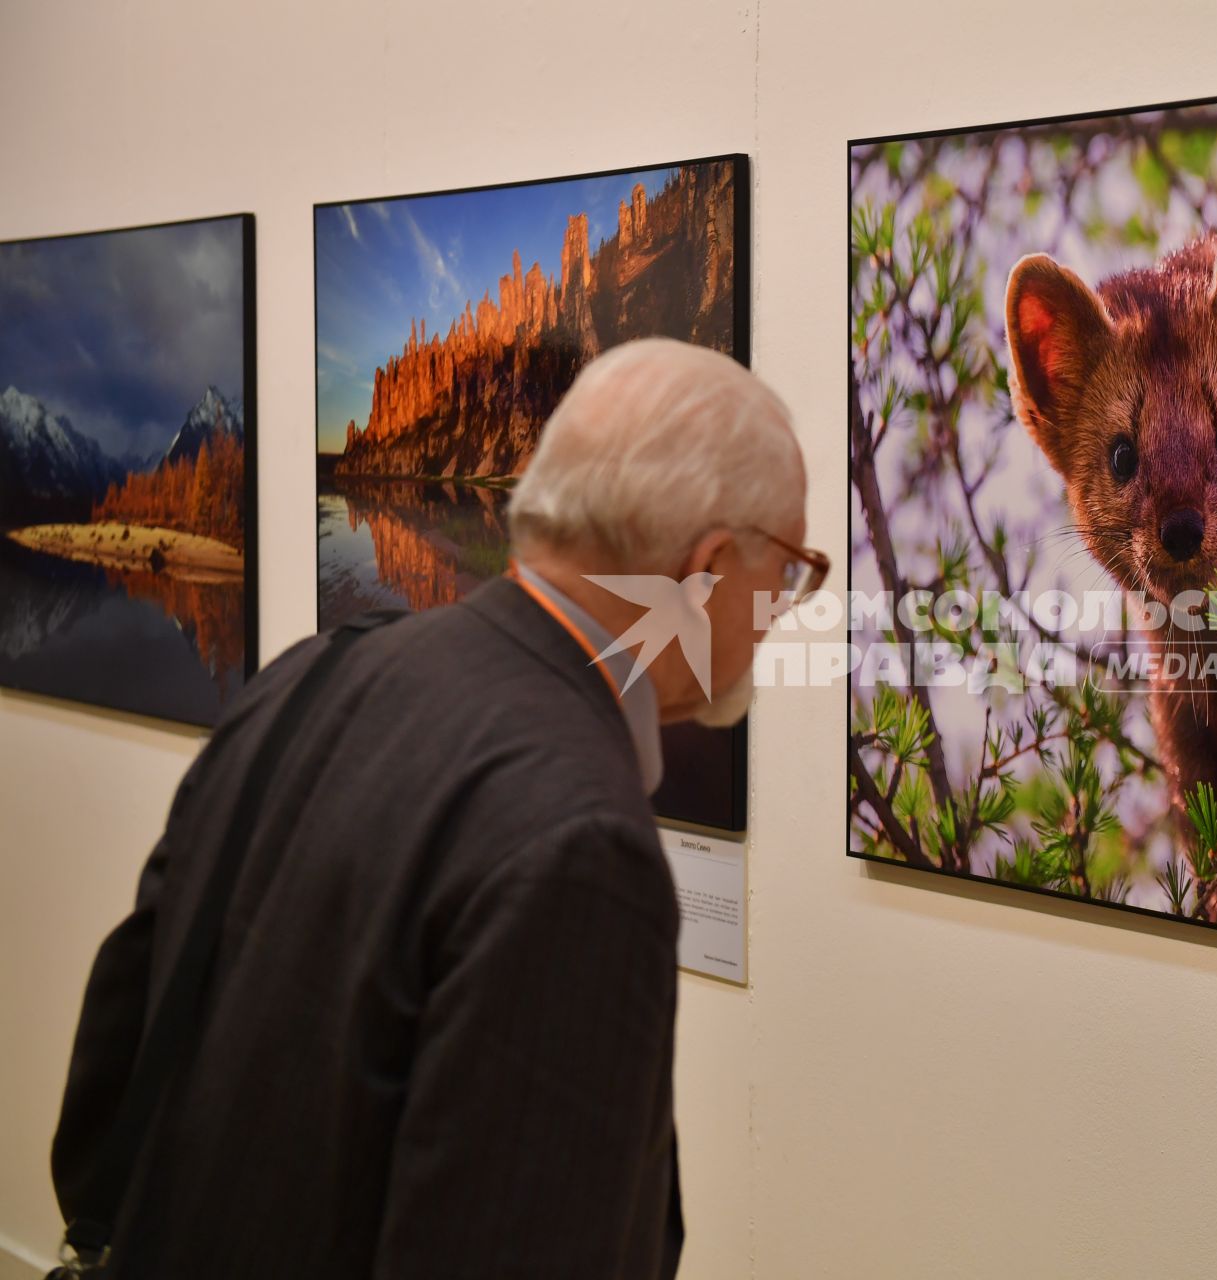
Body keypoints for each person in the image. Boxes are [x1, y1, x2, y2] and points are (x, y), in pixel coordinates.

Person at [50, 338, 821, 1278]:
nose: (787, 605)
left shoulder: (308, 675)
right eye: (787, 569)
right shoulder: (581, 843)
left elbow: (108, 1077)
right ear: (702, 574)